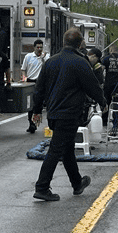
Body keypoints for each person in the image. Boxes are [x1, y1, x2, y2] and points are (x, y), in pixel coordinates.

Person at [31, 28, 108, 201]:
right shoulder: (80, 62)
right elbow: (92, 86)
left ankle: (77, 183)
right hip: (70, 113)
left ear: (64, 42)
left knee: (66, 150)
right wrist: (103, 102)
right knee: (56, 149)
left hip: (54, 114)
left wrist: (36, 110)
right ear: (80, 43)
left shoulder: (50, 62)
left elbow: (39, 89)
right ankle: (42, 187)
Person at [21, 39, 48, 133]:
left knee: (37, 104)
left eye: (41, 47)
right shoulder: (28, 57)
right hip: (30, 81)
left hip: (40, 82)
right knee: (30, 104)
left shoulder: (45, 57)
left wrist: (43, 58)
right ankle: (31, 123)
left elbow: (47, 68)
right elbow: (23, 69)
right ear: (34, 48)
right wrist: (24, 78)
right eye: (38, 47)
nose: (39, 49)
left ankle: (35, 122)